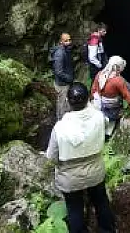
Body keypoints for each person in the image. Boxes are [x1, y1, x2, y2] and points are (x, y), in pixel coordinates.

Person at [45, 82, 116, 233]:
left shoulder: (60, 127)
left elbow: (51, 157)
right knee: (101, 202)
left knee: (74, 208)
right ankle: (107, 230)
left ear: (68, 102)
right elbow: (100, 118)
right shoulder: (99, 118)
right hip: (95, 171)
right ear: (88, 100)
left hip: (70, 177)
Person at [91, 56, 130, 140]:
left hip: (100, 103)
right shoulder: (118, 80)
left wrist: (94, 99)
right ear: (118, 67)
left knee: (103, 115)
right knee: (113, 118)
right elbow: (126, 95)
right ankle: (108, 132)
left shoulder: (100, 74)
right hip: (113, 107)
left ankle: (101, 127)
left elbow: (94, 89)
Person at [51, 33, 75, 120]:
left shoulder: (66, 50)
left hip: (66, 82)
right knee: (61, 103)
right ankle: (60, 121)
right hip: (62, 84)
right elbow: (58, 72)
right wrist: (69, 78)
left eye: (69, 40)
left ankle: (66, 118)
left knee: (65, 102)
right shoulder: (59, 53)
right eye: (66, 41)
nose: (69, 42)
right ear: (61, 41)